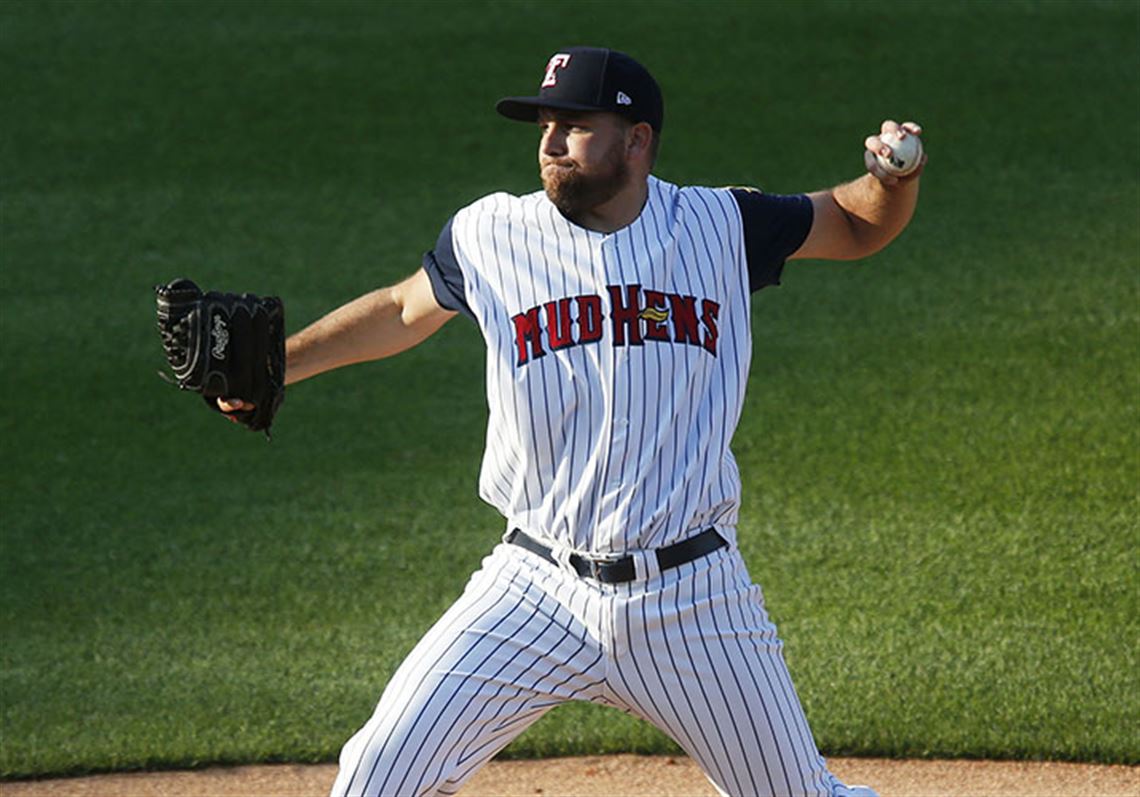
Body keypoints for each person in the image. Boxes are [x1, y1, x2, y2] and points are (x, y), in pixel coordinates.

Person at [222, 46, 923, 797]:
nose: (550, 142)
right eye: (544, 124)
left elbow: (855, 225)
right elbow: (401, 309)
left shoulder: (722, 225)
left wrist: (895, 180)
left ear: (638, 139)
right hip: (534, 588)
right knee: (374, 780)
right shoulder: (491, 235)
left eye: (575, 125)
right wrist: (277, 366)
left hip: (690, 597)